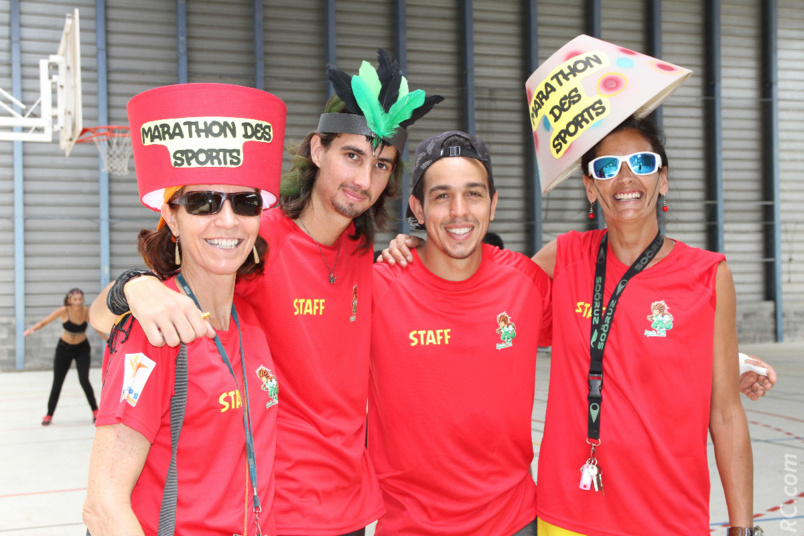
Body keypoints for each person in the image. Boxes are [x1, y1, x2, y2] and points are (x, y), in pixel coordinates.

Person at [89, 50, 442, 536]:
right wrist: (137, 286)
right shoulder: (253, 239)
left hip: (354, 504)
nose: (364, 180)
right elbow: (107, 316)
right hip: (280, 508)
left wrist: (413, 245)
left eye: (381, 165)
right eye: (352, 156)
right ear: (318, 150)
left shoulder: (362, 246)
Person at [381, 117, 764, 535]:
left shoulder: (708, 275)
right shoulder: (564, 258)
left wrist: (742, 527)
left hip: (670, 517)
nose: (625, 178)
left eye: (641, 162)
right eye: (605, 168)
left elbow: (725, 413)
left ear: (664, 178)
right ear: (589, 187)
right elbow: (479, 284)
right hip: (567, 516)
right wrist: (415, 245)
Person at [83, 83, 286, 536]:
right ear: (171, 217)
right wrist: (132, 286)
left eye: (245, 201)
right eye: (202, 202)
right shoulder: (155, 332)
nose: (228, 220)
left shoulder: (250, 323)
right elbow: (103, 507)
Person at [369, 131, 550, 535]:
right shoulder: (377, 288)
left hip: (513, 522)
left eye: (473, 194)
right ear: (416, 207)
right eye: (441, 196)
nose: (458, 211)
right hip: (408, 526)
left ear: (493, 203)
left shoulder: (526, 282)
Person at [24, 288, 104, 425]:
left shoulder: (86, 311)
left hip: (82, 348)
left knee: (84, 379)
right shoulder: (64, 310)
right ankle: (49, 414)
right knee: (57, 383)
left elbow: (97, 327)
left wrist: (109, 341)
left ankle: (95, 411)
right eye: (75, 299)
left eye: (80, 299)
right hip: (64, 349)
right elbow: (45, 321)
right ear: (69, 301)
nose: (78, 302)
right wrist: (32, 329)